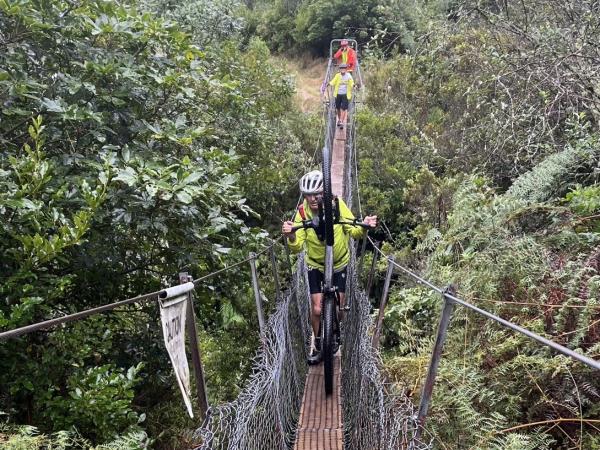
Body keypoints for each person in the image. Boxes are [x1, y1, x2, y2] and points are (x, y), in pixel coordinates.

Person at [282, 170, 377, 364]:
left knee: (340, 310)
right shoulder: (301, 212)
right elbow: (297, 246)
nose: (313, 198)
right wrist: (291, 234)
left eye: (317, 193)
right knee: (317, 309)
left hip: (339, 262)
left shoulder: (337, 205)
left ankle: (332, 333)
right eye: (308, 194)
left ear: (325, 192)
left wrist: (364, 225)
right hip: (315, 265)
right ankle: (318, 343)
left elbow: (354, 230)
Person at [329, 63, 354, 129]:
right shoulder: (337, 75)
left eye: (344, 68)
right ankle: (339, 119)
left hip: (345, 94)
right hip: (337, 94)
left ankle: (341, 121)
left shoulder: (349, 76)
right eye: (341, 68)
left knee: (343, 108)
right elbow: (333, 81)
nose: (343, 70)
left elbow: (351, 82)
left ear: (346, 69)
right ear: (340, 69)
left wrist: (354, 85)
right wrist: (328, 84)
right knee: (338, 108)